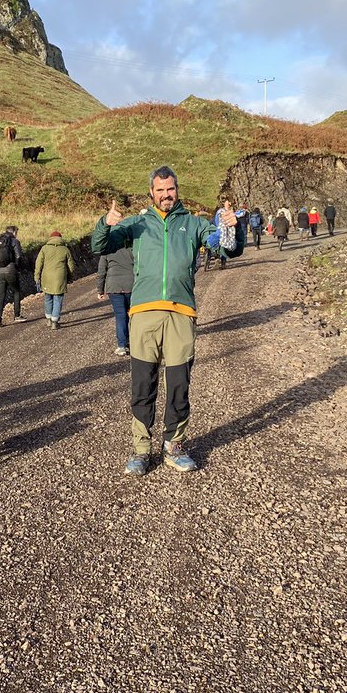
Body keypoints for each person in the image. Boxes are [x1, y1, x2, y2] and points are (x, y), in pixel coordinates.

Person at [91, 166, 242, 475]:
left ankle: (174, 445)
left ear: (177, 189)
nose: (165, 194)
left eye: (170, 189)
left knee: (178, 386)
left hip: (181, 315)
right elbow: (100, 246)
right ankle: (141, 449)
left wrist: (231, 229)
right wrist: (104, 225)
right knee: (142, 385)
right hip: (144, 315)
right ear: (151, 193)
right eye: (159, 190)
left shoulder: (193, 223)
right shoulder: (136, 224)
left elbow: (224, 249)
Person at [97, 240, 134, 355]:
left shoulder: (107, 249)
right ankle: (137, 343)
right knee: (134, 315)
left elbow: (101, 271)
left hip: (114, 286)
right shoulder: (132, 247)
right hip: (131, 285)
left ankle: (122, 345)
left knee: (120, 315)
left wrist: (100, 289)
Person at [34, 230, 75, 329]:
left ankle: (48, 319)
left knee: (48, 298)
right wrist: (70, 278)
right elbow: (71, 267)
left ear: (50, 238)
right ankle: (54, 322)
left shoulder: (44, 248)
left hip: (46, 277)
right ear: (60, 239)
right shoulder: (65, 249)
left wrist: (37, 277)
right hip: (60, 278)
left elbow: (38, 264)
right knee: (58, 300)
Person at [0, 225, 28, 328]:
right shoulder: (14, 241)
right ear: (14, 232)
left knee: (1, 295)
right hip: (11, 269)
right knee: (16, 291)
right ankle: (17, 315)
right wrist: (17, 267)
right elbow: (19, 256)